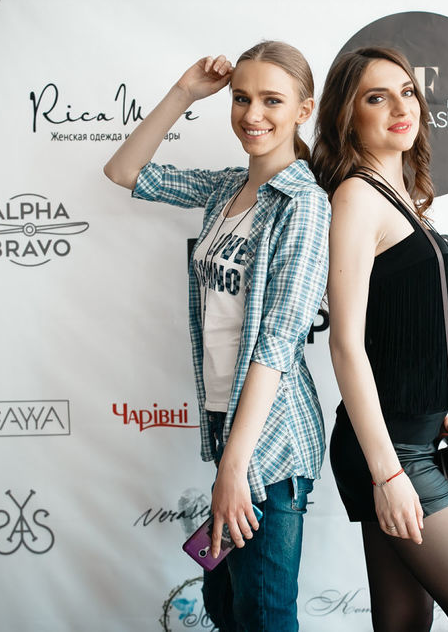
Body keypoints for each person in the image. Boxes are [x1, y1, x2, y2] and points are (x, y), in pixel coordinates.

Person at [103, 40, 330, 632]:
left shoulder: (304, 205)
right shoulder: (226, 190)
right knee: (228, 609)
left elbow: (278, 343)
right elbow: (124, 171)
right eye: (241, 98)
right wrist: (185, 92)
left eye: (272, 100)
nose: (252, 114)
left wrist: (235, 465)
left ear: (303, 110)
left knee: (263, 616)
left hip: (270, 441)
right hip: (232, 429)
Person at [311, 46, 448, 631]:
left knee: (402, 621)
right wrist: (389, 474)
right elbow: (346, 345)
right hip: (392, 451)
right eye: (377, 97)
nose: (402, 108)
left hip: (415, 437)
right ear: (347, 115)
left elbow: (408, 320)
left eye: (407, 92)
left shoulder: (399, 194)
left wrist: (441, 403)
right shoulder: (357, 197)